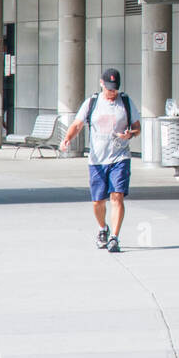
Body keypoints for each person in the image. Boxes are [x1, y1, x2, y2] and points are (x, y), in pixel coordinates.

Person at [60, 68, 139, 253]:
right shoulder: (92, 103)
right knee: (98, 202)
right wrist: (67, 139)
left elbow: (137, 127)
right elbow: (78, 124)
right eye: (109, 88)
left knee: (117, 196)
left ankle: (114, 237)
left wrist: (130, 134)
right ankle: (103, 228)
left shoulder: (125, 102)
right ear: (101, 83)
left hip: (120, 157)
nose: (112, 93)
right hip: (97, 160)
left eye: (115, 89)